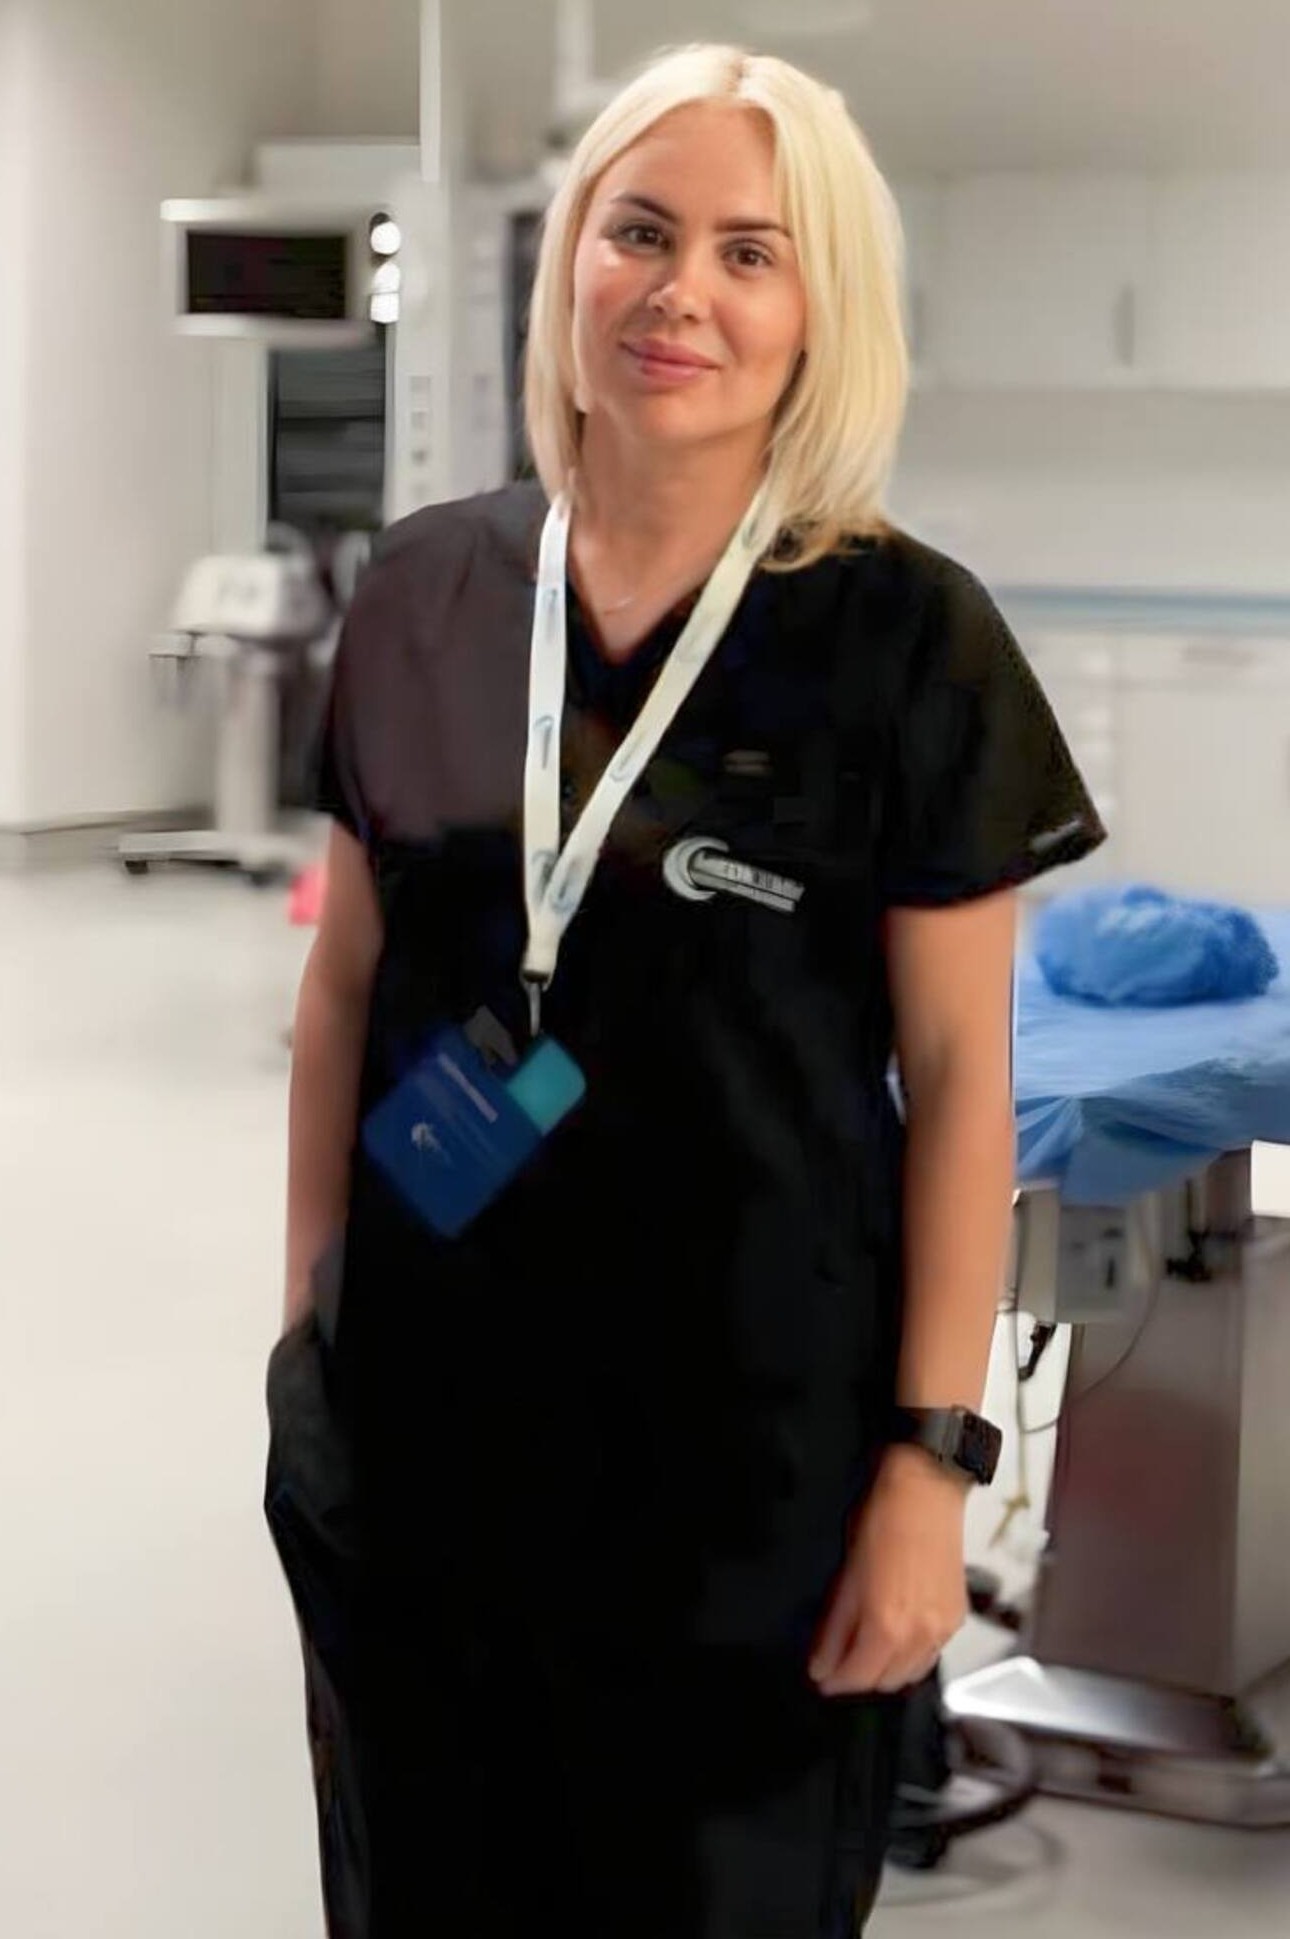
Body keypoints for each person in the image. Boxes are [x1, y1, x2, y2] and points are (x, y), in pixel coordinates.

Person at [266, 40, 1104, 1939]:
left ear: (820, 310)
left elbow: (961, 1077)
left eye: (750, 251)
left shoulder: (906, 639)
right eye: (638, 233)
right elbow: (346, 987)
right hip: (420, 1436)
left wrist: (933, 1465)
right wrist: (311, 1318)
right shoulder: (423, 596)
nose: (680, 293)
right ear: (571, 257)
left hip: (755, 1473)